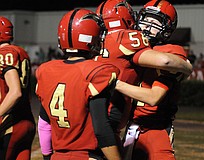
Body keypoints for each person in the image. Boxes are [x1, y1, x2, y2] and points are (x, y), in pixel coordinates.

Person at [95, 0, 192, 149]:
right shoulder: (133, 47)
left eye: (155, 21)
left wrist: (187, 67)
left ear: (167, 28)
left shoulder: (171, 51)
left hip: (154, 128)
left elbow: (153, 97)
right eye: (146, 19)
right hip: (130, 127)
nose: (147, 25)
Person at [36, 9, 121, 160]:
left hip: (58, 156)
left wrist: (48, 157)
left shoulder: (46, 70)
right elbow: (101, 129)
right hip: (87, 155)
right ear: (91, 38)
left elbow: (44, 124)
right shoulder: (96, 71)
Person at [0, 16, 36, 160]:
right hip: (27, 121)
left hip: (11, 123)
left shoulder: (4, 54)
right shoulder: (20, 51)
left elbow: (15, 92)